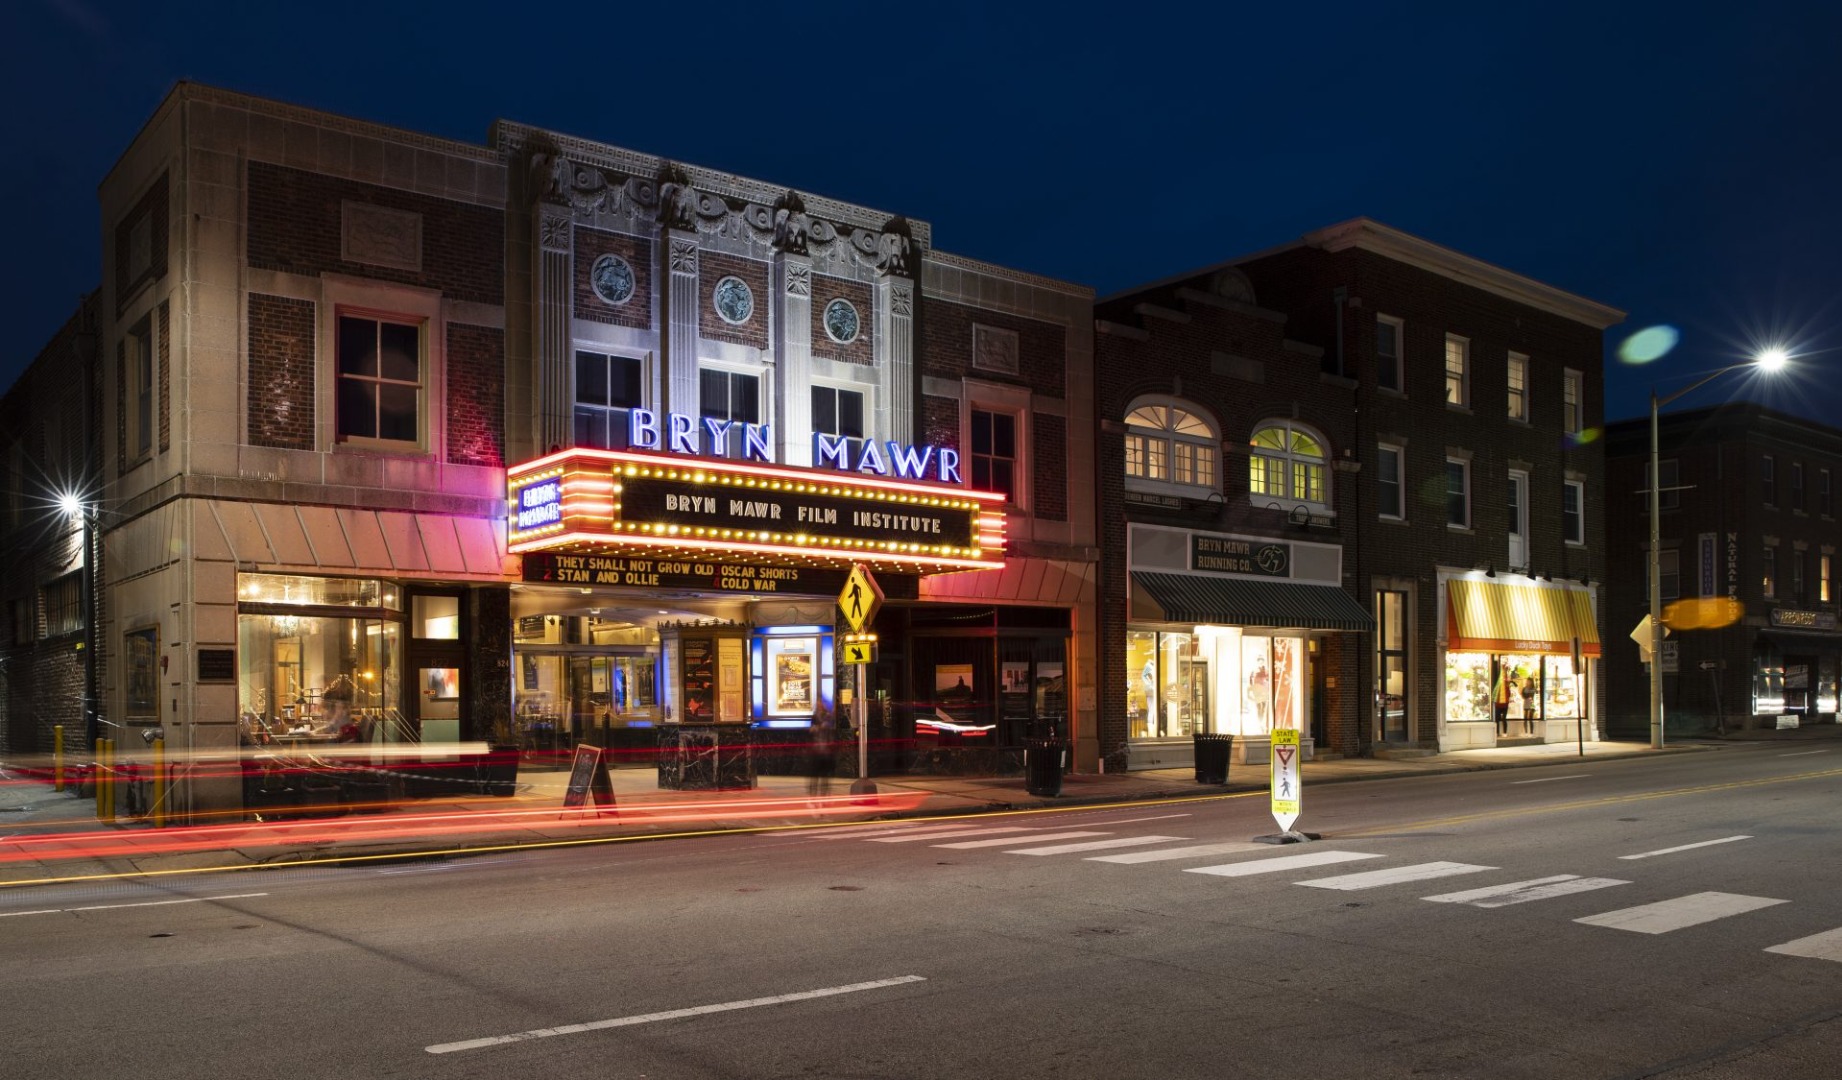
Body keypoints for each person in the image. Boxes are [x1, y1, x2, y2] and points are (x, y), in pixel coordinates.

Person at [806, 708, 837, 802]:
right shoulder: (815, 724)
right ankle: (813, 793)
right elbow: (810, 733)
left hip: (825, 754)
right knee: (816, 775)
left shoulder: (827, 726)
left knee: (823, 775)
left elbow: (831, 739)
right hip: (817, 753)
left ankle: (822, 793)